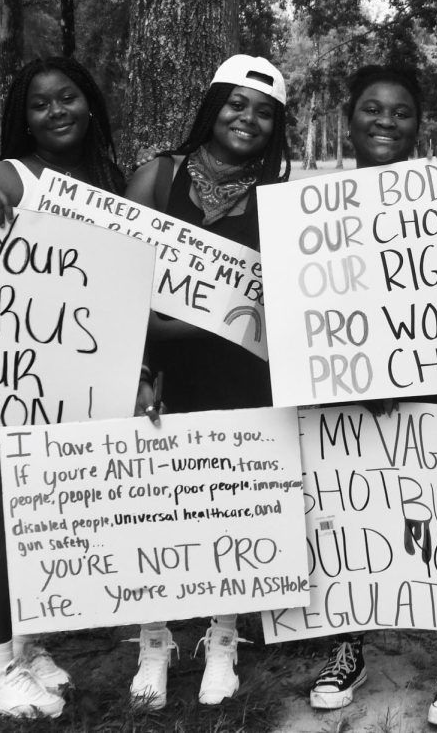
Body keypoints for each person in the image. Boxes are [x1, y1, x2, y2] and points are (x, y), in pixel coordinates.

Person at [0, 55, 157, 718]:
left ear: (89, 104)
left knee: (46, 514)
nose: (56, 111)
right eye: (39, 105)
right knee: (6, 516)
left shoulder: (109, 184)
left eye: (66, 97)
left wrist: (143, 373)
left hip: (84, 379)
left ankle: (23, 646)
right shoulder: (10, 176)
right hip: (11, 378)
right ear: (24, 119)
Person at [305, 64, 437, 730]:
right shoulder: (313, 207)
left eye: (401, 111)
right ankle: (347, 642)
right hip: (350, 389)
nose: (385, 121)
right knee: (349, 505)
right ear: (349, 117)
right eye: (372, 109)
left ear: (419, 124)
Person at [122, 54, 291, 709]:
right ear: (213, 106)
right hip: (160, 375)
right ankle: (155, 637)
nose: (248, 119)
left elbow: (283, 299)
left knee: (228, 502)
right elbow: (113, 275)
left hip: (242, 374)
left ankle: (223, 635)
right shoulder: (156, 176)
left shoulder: (276, 197)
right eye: (237, 103)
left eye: (265, 111)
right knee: (159, 507)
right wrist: (138, 367)